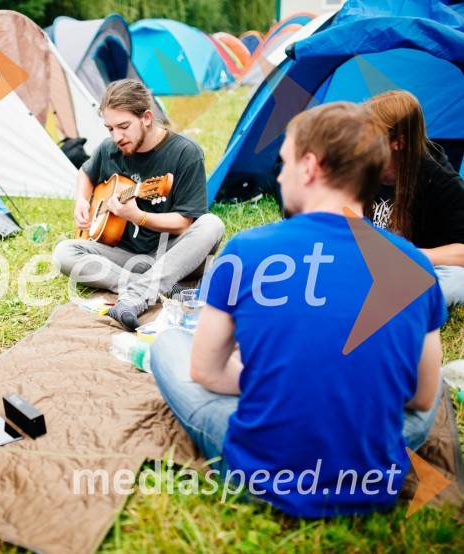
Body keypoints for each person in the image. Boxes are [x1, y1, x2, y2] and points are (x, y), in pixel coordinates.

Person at [150, 102, 445, 517]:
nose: (279, 175)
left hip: (262, 474)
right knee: (431, 385)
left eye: (284, 162)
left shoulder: (246, 251)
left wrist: (280, 379)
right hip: (372, 479)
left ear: (309, 167)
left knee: (168, 344)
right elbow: (421, 396)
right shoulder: (413, 263)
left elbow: (207, 372)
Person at [52, 79, 224, 331]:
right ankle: (155, 286)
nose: (116, 137)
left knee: (212, 224)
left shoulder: (185, 152)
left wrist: (138, 216)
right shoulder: (108, 149)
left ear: (146, 118)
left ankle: (135, 296)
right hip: (128, 255)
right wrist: (81, 200)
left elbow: (183, 223)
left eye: (123, 127)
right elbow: (85, 174)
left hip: (174, 252)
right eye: (110, 129)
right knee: (64, 252)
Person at [365, 90, 464, 307]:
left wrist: (414, 255)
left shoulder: (440, 182)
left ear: (398, 143)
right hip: (366, 267)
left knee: (457, 281)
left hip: (416, 272)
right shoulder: (359, 170)